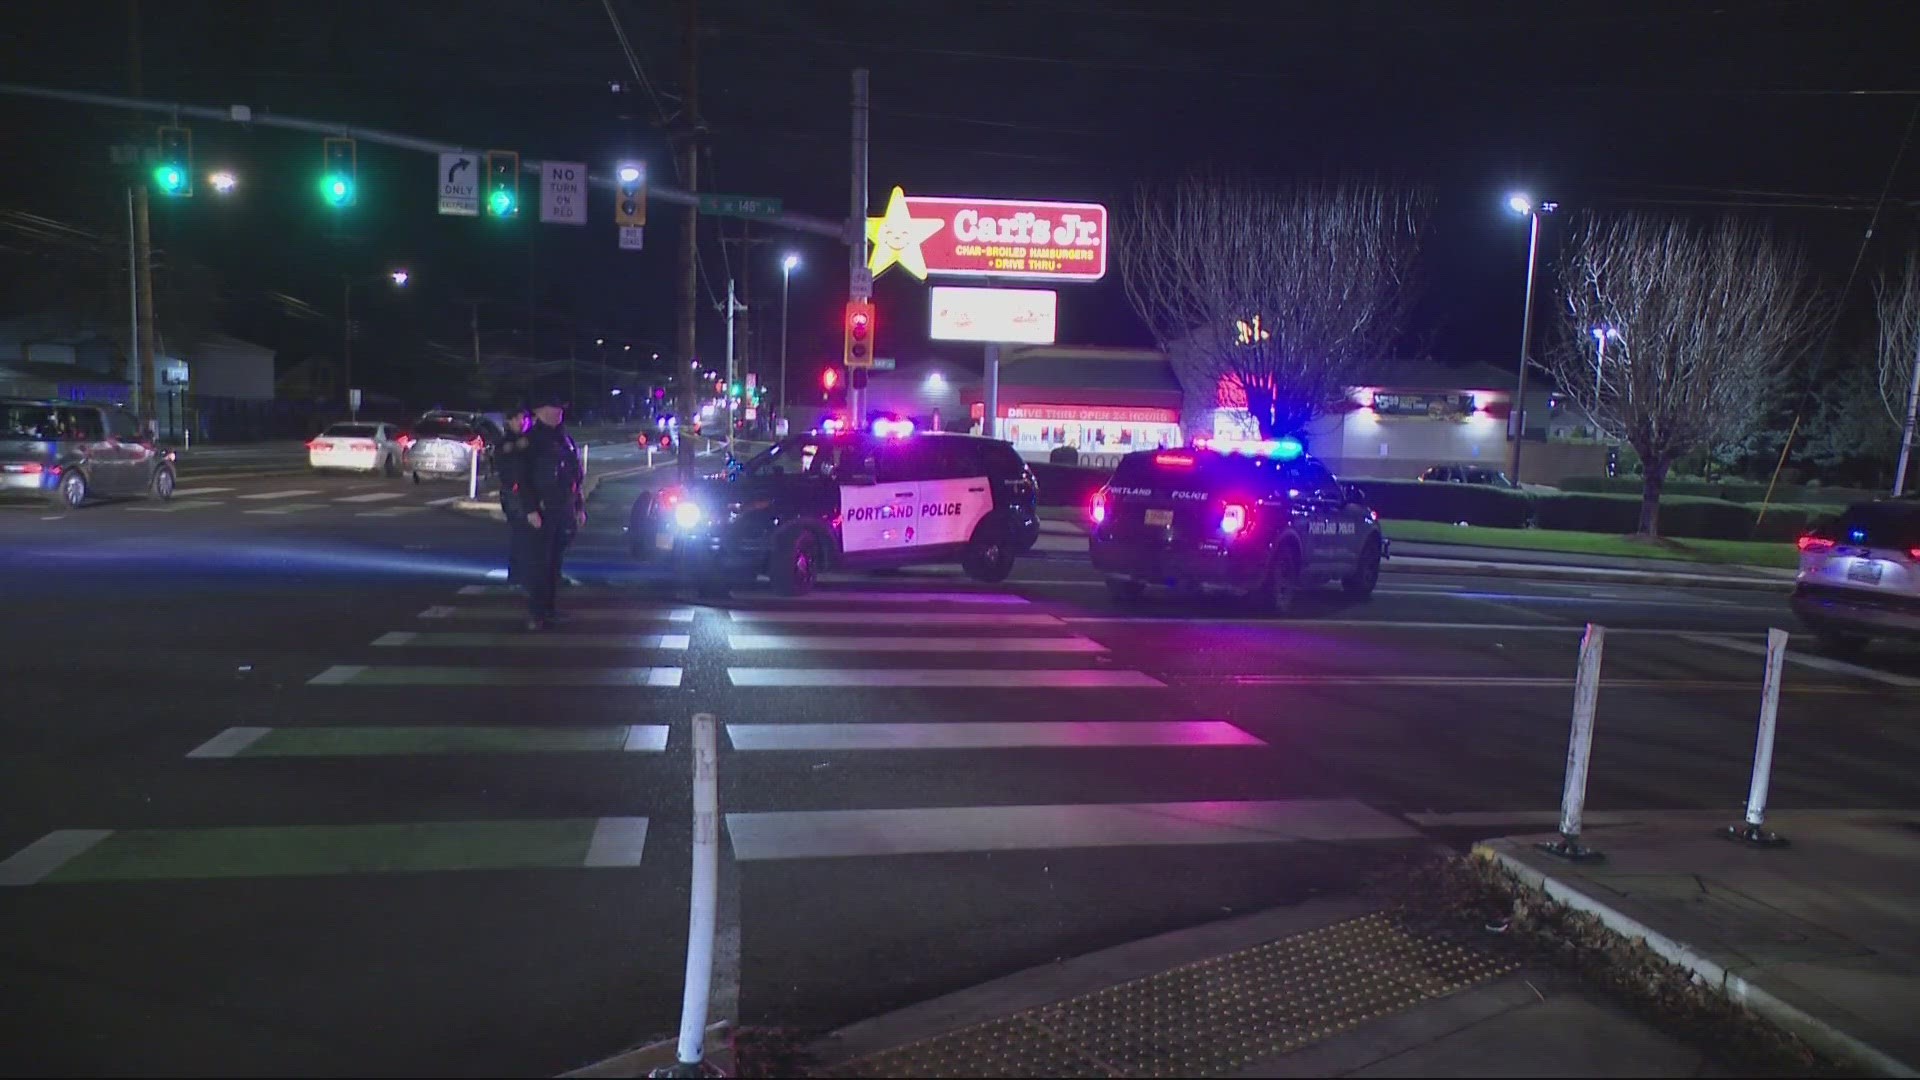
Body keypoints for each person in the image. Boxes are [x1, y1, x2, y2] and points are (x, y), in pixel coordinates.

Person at [500, 394, 585, 630]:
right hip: (541, 510)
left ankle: (549, 610)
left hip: (562, 508)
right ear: (539, 412)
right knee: (539, 563)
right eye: (553, 409)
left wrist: (578, 506)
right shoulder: (531, 442)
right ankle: (537, 613)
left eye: (560, 409)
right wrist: (530, 509)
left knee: (554, 564)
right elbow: (521, 478)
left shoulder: (564, 439)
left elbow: (574, 476)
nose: (557, 413)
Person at [495, 407, 533, 591]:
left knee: (528, 535)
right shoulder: (506, 443)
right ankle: (516, 576)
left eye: (523, 419)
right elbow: (506, 465)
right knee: (520, 534)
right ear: (509, 421)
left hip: (526, 494)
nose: (521, 422)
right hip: (513, 495)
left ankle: (524, 574)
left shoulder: (529, 441)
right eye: (517, 419)